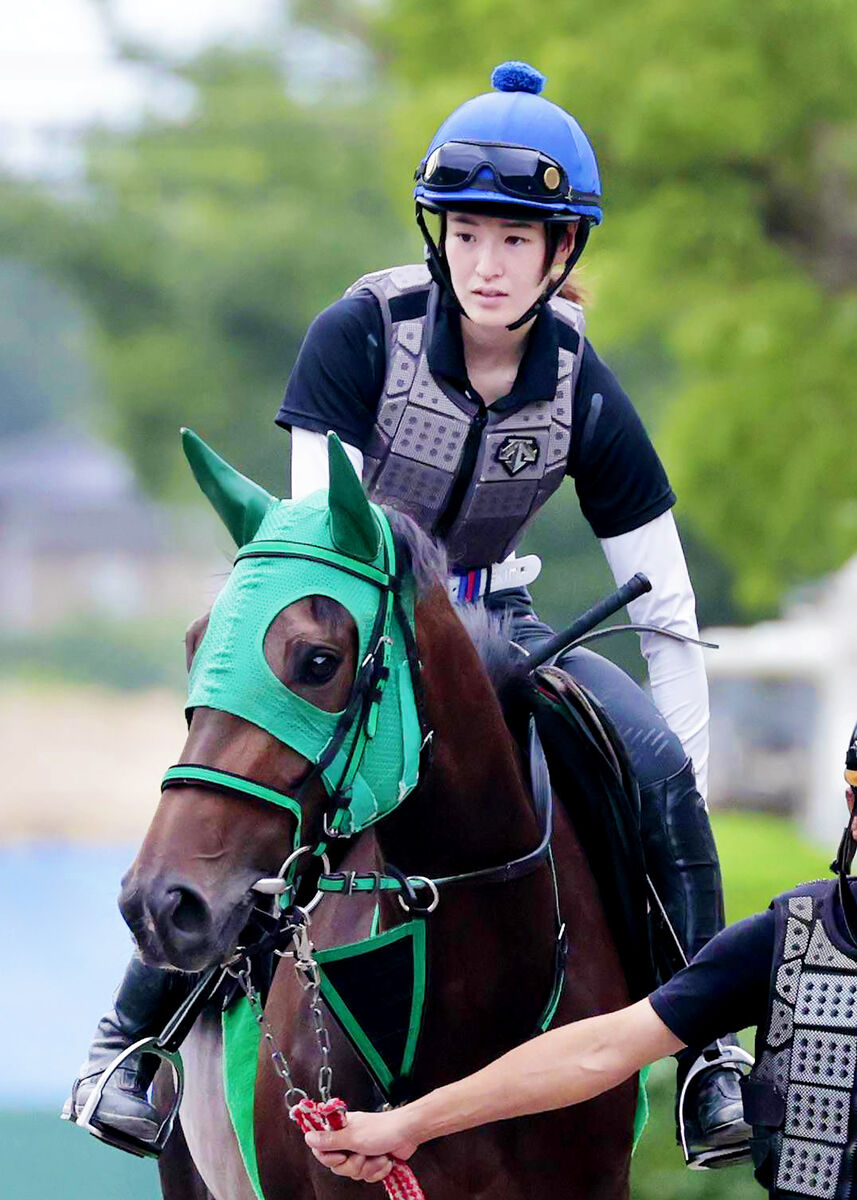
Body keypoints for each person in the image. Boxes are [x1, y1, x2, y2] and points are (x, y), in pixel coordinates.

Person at [64, 61, 740, 1159]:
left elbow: (662, 599)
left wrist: (687, 755)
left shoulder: (581, 382)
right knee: (250, 762)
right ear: (439, 236)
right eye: (467, 234)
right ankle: (135, 1036)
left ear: (560, 251)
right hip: (352, 619)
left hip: (500, 630)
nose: (486, 263)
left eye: (514, 240)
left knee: (650, 758)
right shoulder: (360, 331)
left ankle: (710, 1053)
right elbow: (321, 540)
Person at [306, 724, 857, 1198]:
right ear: (853, 808)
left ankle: (708, 1075)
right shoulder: (790, 937)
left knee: (659, 757)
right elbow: (600, 1049)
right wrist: (408, 1123)